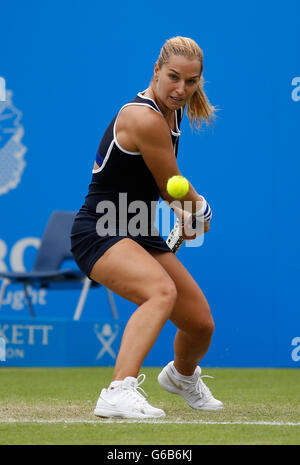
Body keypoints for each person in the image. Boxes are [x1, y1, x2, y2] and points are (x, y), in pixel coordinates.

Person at [70, 36, 223, 419]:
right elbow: (172, 179)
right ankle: (118, 391)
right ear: (156, 71)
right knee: (159, 291)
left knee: (200, 324)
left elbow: (161, 186)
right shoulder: (144, 117)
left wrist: (184, 214)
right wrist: (201, 211)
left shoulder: (173, 113)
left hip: (138, 229)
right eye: (173, 77)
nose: (181, 89)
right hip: (100, 229)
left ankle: (181, 376)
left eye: (190, 82)